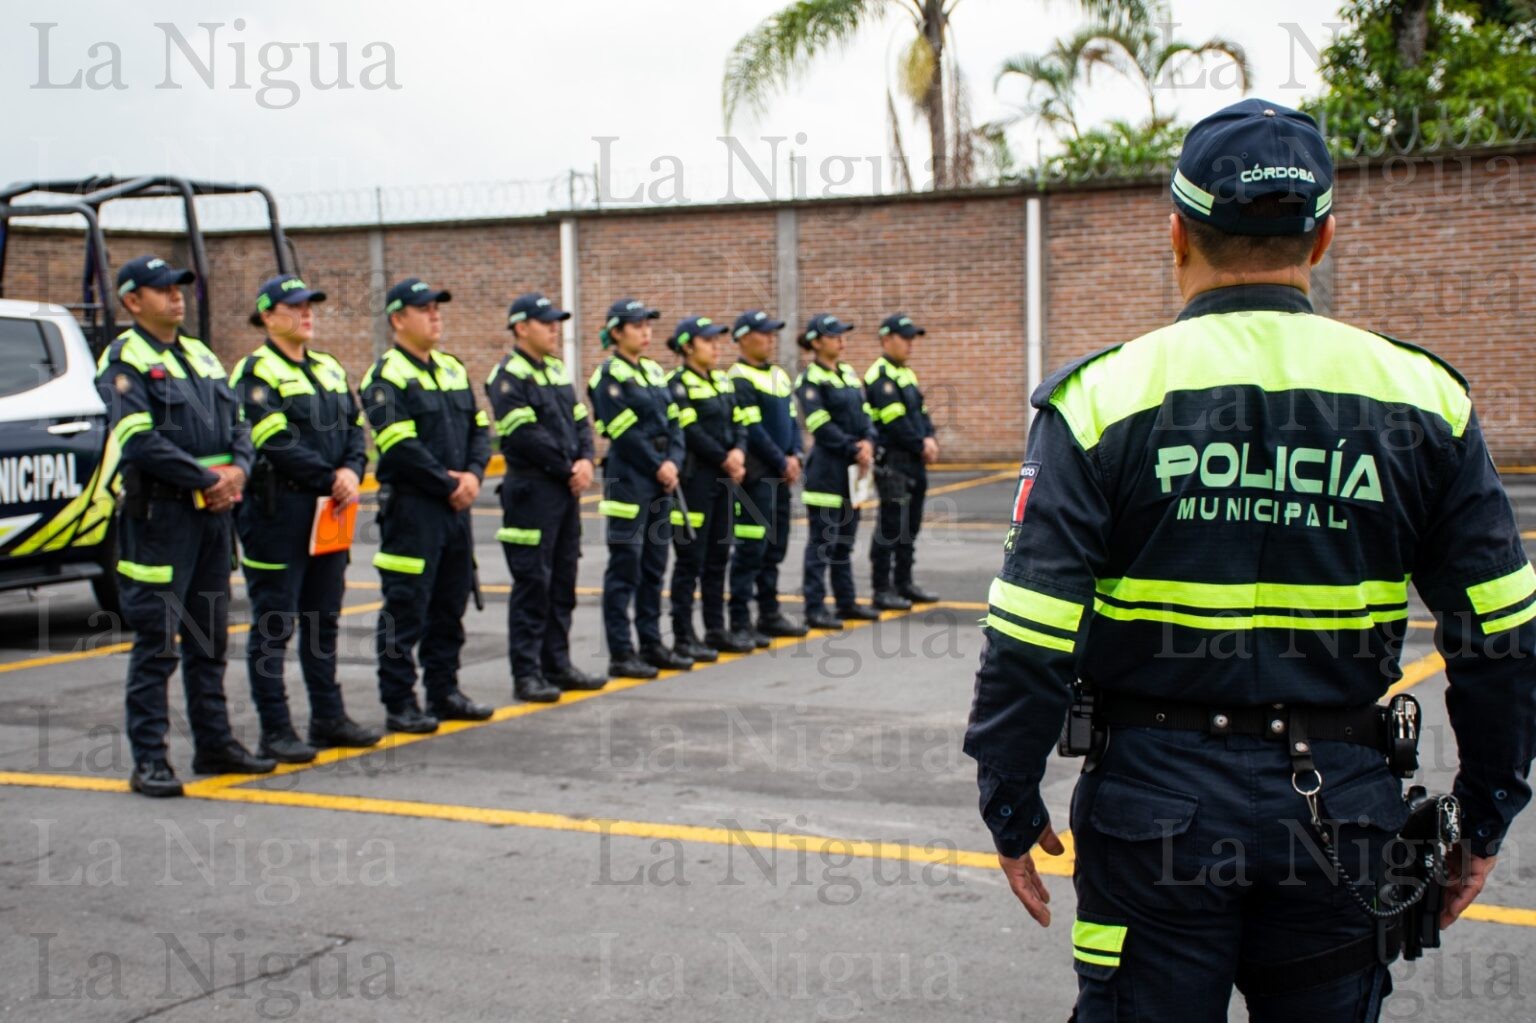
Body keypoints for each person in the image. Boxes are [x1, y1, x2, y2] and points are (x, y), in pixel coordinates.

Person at [965, 98, 1535, 1021]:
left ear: (1178, 234)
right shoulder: (1425, 400)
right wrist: (1485, 810)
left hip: (1152, 812)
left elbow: (1030, 628)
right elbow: (1502, 633)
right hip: (1344, 814)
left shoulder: (1102, 397)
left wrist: (1008, 792)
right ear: (1324, 239)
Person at [95, 255, 275, 796]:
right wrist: (205, 479)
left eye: (179, 288)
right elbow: (139, 440)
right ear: (132, 301)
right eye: (163, 289)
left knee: (210, 639)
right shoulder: (124, 359)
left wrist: (237, 474)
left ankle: (215, 744)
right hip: (161, 520)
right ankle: (150, 759)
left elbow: (241, 425)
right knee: (158, 645)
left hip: (214, 520)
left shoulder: (200, 353)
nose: (177, 297)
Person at [230, 275, 382, 762]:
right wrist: (330, 476)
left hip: (328, 509)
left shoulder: (329, 368)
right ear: (268, 316)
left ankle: (327, 717)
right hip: (280, 511)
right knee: (274, 623)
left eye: (310, 305)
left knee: (324, 619)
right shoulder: (255, 372)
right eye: (294, 306)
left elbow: (356, 430)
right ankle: (275, 728)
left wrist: (351, 471)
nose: (306, 313)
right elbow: (272, 438)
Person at [360, 278, 494, 733]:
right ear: (398, 319)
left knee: (449, 604)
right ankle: (400, 701)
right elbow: (398, 445)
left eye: (438, 308)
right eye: (425, 309)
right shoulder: (385, 376)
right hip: (414, 510)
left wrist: (474, 475)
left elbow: (480, 429)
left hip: (455, 510)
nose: (435, 316)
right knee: (406, 607)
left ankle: (445, 691)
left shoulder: (453, 368)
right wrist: (446, 483)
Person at [485, 292, 606, 703]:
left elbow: (580, 423)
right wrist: (569, 467)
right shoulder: (507, 376)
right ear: (522, 328)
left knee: (563, 580)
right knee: (533, 582)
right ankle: (528, 672)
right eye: (547, 322)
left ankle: (558, 662)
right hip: (532, 490)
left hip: (564, 489)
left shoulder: (555, 371)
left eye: (556, 322)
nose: (555, 329)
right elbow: (523, 433)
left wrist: (587, 460)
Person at [588, 298, 693, 678]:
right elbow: (624, 432)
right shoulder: (608, 377)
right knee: (625, 567)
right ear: (616, 332)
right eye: (637, 325)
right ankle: (621, 652)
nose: (646, 331)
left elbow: (676, 422)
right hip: (629, 479)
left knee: (654, 566)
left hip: (662, 479)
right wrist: (658, 464)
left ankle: (651, 642)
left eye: (649, 324)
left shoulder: (653, 371)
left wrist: (674, 462)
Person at [664, 316, 754, 659]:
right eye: (709, 341)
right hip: (695, 482)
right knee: (690, 560)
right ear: (688, 346)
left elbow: (741, 423)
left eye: (718, 341)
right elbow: (689, 431)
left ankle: (716, 629)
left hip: (723, 481)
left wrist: (739, 452)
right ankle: (684, 635)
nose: (717, 347)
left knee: (718, 558)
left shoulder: (722, 381)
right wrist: (724, 458)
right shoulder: (677, 384)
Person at [727, 310, 809, 645]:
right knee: (751, 549)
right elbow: (752, 429)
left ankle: (769, 613)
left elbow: (792, 421)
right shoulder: (738, 377)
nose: (770, 339)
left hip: (780, 473)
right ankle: (741, 620)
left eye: (773, 333)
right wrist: (781, 460)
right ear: (744, 337)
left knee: (775, 547)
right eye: (764, 333)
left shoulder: (778, 375)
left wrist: (797, 455)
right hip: (757, 477)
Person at [794, 314, 879, 630]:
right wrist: (853, 447)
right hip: (827, 475)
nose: (842, 340)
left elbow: (866, 414)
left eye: (844, 335)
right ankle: (814, 607)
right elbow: (818, 424)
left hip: (853, 474)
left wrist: (869, 441)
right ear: (816, 342)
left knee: (845, 542)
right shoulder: (810, 379)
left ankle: (846, 602)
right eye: (834, 335)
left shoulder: (847, 373)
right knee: (822, 544)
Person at [866, 313, 939, 609]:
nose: (910, 344)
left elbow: (921, 413)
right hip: (893, 461)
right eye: (905, 337)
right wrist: (922, 443)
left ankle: (904, 582)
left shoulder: (906, 373)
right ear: (886, 339)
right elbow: (895, 422)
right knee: (891, 526)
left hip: (913, 459)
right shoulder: (879, 376)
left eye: (912, 338)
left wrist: (930, 436)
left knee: (911, 525)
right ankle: (882, 589)